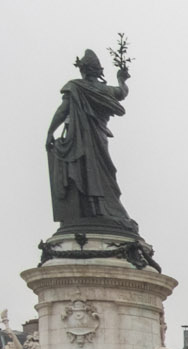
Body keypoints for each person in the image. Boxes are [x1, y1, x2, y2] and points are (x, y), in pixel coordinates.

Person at [47, 48, 138, 233]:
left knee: (86, 172)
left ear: (82, 69)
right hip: (98, 139)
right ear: (98, 71)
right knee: (103, 173)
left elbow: (62, 111)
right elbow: (122, 92)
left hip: (80, 140)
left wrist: (50, 132)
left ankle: (94, 209)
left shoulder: (75, 87)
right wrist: (121, 77)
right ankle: (98, 210)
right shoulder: (104, 90)